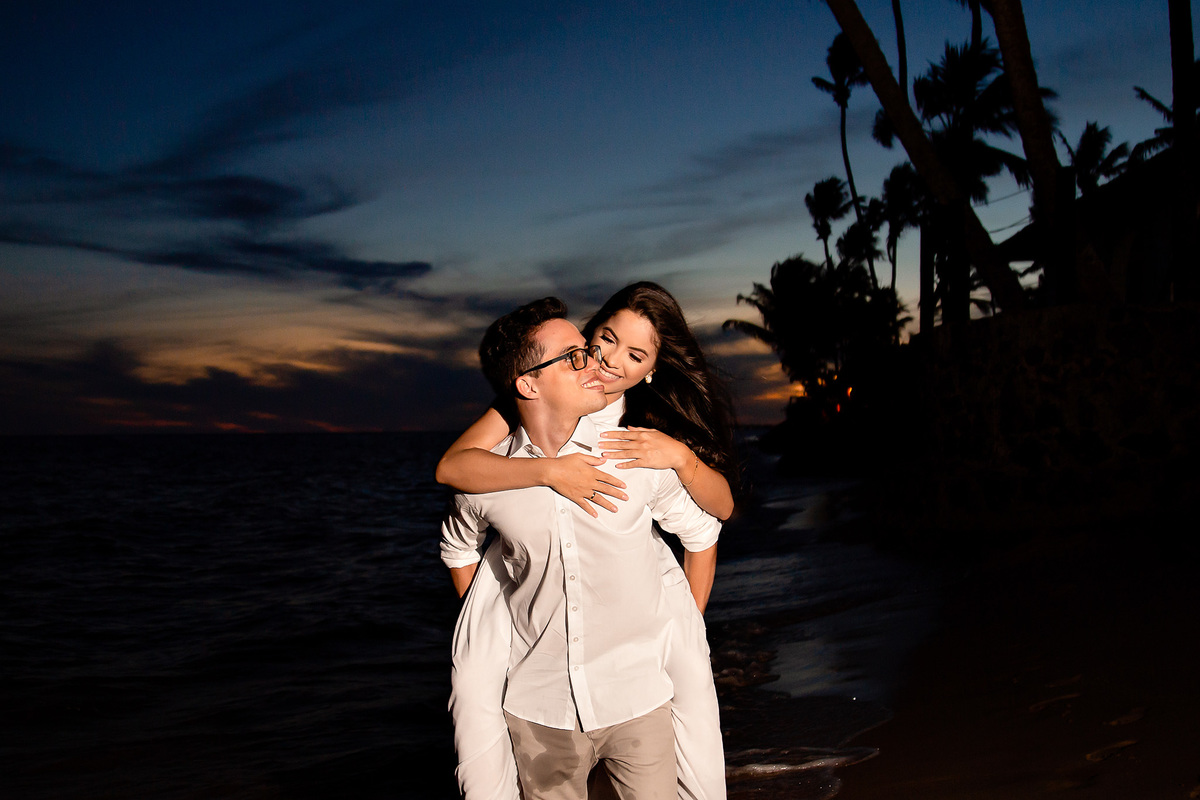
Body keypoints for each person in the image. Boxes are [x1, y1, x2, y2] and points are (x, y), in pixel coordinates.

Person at [437, 283, 736, 800]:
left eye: (636, 355)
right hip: (540, 701)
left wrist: (681, 626)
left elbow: (712, 520)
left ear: (651, 369)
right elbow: (454, 492)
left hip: (635, 689)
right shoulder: (505, 447)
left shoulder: (642, 445)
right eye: (599, 341)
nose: (603, 361)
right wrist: (549, 473)